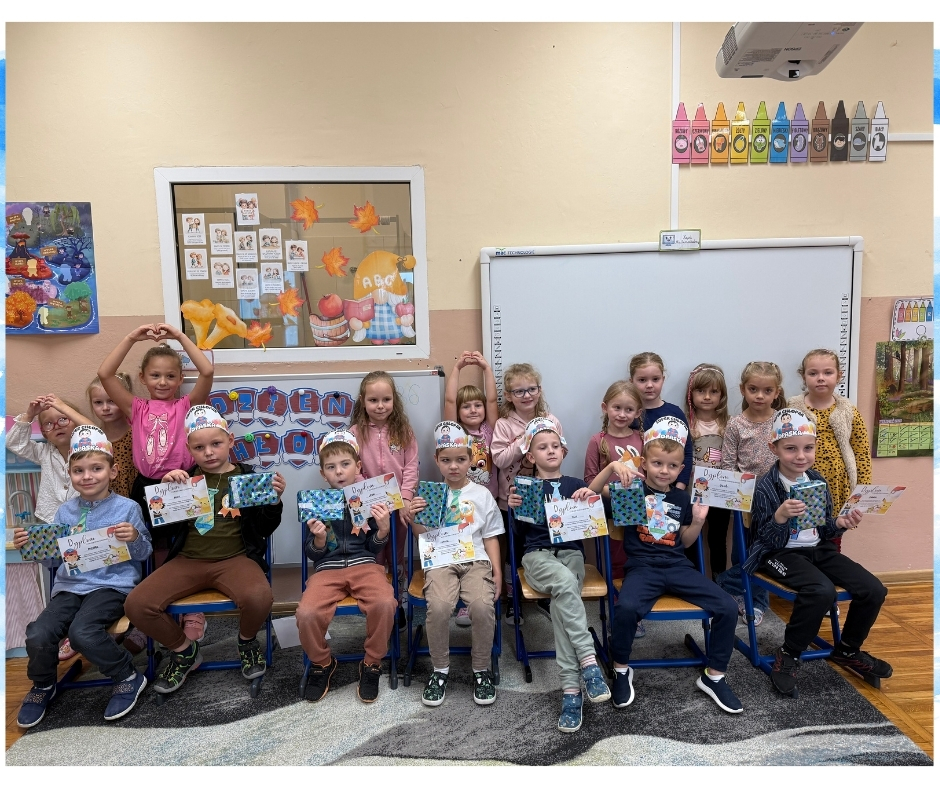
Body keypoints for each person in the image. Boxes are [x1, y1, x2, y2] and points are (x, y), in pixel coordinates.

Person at [123, 405, 284, 696]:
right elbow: (163, 532)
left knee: (260, 597)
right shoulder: (183, 480)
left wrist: (274, 502)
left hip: (235, 559)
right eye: (199, 447)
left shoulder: (247, 478)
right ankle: (184, 651)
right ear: (189, 450)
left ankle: (247, 641)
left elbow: (263, 528)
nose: (209, 452)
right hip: (188, 560)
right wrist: (166, 494)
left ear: (230, 441)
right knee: (136, 604)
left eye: (216, 444)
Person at [590, 417, 744, 714]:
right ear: (644, 463)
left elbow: (685, 541)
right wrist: (611, 468)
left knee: (727, 606)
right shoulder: (632, 490)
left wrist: (697, 521)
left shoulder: (681, 498)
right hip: (642, 567)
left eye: (672, 466)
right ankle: (621, 669)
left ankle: (714, 676)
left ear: (680, 468)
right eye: (658, 463)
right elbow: (594, 495)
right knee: (626, 608)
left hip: (677, 567)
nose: (664, 470)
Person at [13, 426, 152, 727]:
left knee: (82, 633)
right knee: (38, 633)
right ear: (70, 474)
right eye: (78, 471)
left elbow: (144, 555)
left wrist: (133, 538)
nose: (87, 476)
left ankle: (127, 675)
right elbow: (54, 560)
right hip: (70, 588)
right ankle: (44, 684)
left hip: (111, 586)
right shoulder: (64, 512)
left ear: (113, 471)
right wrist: (33, 548)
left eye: (96, 469)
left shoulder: (128, 508)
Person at [745, 408, 890, 697]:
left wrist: (840, 524)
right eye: (791, 449)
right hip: (778, 553)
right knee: (821, 591)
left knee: (874, 589)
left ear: (815, 447)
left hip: (817, 549)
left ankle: (847, 649)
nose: (801, 456)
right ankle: (789, 653)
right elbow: (763, 539)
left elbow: (823, 529)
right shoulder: (765, 487)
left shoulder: (817, 480)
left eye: (808, 448)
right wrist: (780, 517)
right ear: (774, 448)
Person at [98, 323, 214, 640]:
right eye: (155, 375)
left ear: (180, 378)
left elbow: (206, 371)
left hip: (183, 485)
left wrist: (180, 336)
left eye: (171, 376)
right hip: (147, 486)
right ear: (142, 378)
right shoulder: (136, 407)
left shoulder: (186, 406)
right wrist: (130, 337)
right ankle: (154, 615)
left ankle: (193, 612)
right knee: (153, 549)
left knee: (188, 546)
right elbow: (105, 374)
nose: (163, 382)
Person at [506, 417, 610, 733]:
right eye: (542, 447)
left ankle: (571, 690)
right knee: (565, 585)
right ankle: (589, 662)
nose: (550, 451)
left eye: (555, 446)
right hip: (537, 555)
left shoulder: (575, 484)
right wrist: (513, 509)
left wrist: (590, 500)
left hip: (571, 553)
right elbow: (517, 538)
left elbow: (597, 517)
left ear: (563, 451)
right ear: (530, 456)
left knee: (561, 603)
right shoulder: (524, 488)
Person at [295, 430, 397, 704]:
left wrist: (383, 529)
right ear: (323, 473)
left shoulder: (369, 498)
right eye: (331, 467)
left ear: (358, 466)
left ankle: (372, 662)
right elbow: (311, 553)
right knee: (307, 613)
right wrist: (318, 540)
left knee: (385, 603)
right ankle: (322, 662)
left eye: (345, 464)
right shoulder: (316, 503)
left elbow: (373, 548)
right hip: (327, 569)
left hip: (364, 565)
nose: (339, 472)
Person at [410, 421, 503, 707]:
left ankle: (481, 669)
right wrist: (413, 518)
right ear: (437, 460)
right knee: (438, 607)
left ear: (470, 460)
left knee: (482, 605)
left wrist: (498, 572)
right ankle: (440, 669)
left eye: (461, 460)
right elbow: (422, 535)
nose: (454, 466)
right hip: (441, 560)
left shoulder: (482, 494)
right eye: (447, 460)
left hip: (475, 560)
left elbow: (490, 537)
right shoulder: (430, 494)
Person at [6, 394, 93, 661]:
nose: (56, 426)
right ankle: (65, 630)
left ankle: (85, 627)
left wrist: (63, 407)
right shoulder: (44, 452)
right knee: (60, 580)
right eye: (49, 424)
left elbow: (94, 431)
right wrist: (30, 415)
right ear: (43, 432)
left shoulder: (88, 450)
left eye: (63, 419)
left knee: (86, 576)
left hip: (84, 525)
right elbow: (14, 442)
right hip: (51, 525)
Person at [716, 361, 787, 624]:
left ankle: (756, 603)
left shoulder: (782, 421)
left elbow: (790, 456)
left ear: (776, 392)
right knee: (741, 553)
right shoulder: (736, 424)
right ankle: (739, 594)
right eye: (753, 389)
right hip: (744, 500)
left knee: (764, 553)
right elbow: (727, 465)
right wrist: (740, 493)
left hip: (776, 500)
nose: (759, 396)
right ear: (742, 389)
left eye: (767, 391)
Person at [492, 362, 562, 622]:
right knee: (513, 551)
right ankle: (514, 599)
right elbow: (499, 459)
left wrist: (544, 444)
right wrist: (525, 439)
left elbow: (560, 452)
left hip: (545, 498)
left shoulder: (551, 421)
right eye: (519, 391)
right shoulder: (503, 425)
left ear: (539, 390)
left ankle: (542, 595)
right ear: (509, 395)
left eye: (532, 389)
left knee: (541, 548)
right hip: (512, 500)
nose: (527, 395)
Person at [349, 371, 419, 623]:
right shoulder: (355, 433)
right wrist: (367, 494)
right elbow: (352, 468)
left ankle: (398, 603)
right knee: (374, 555)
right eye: (373, 400)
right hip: (369, 507)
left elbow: (411, 466)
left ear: (394, 400)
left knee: (396, 555)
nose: (380, 406)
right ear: (363, 401)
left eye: (386, 400)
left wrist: (407, 497)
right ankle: (378, 604)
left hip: (399, 506)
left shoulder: (403, 430)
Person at [788, 349, 873, 552]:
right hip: (802, 484)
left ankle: (830, 563)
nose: (820, 378)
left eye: (827, 372)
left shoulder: (848, 411)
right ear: (803, 376)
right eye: (813, 373)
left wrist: (863, 490)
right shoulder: (792, 409)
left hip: (837, 486)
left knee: (833, 535)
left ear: (839, 376)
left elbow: (861, 452)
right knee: (803, 534)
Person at [443, 351, 500, 626]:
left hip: (488, 500)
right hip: (459, 502)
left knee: (488, 548)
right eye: (467, 406)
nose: (474, 410)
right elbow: (449, 400)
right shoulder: (454, 432)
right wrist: (457, 367)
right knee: (463, 550)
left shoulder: (491, 429)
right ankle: (463, 602)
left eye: (478, 405)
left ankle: (489, 592)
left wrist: (486, 368)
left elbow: (492, 400)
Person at [583, 380, 644, 582]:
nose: (622, 414)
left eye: (629, 410)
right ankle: (618, 580)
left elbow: (649, 475)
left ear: (638, 413)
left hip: (640, 504)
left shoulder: (643, 438)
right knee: (618, 550)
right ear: (605, 407)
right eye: (617, 408)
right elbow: (590, 482)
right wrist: (616, 493)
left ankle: (639, 577)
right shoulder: (597, 441)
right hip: (610, 504)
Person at [684, 364, 731, 576]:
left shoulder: (728, 424)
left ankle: (719, 579)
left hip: (720, 493)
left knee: (718, 539)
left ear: (722, 395)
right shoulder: (686, 424)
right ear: (691, 393)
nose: (707, 397)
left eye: (713, 391)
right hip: (691, 492)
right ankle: (693, 579)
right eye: (701, 391)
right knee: (691, 537)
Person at [629, 352, 694, 489]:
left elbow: (687, 453)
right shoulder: (628, 415)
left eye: (655, 379)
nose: (649, 385)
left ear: (663, 380)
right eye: (642, 380)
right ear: (631, 381)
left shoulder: (675, 413)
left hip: (670, 489)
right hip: (635, 490)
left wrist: (679, 489)